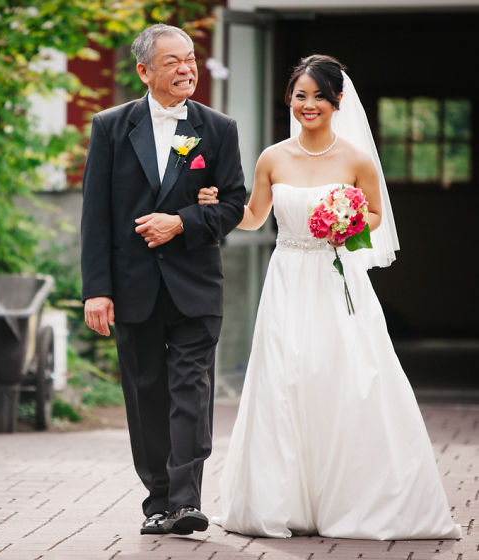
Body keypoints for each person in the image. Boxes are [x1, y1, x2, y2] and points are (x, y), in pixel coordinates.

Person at [198, 55, 462, 540]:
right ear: (290, 101)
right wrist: (219, 208)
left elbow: (378, 216)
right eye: (300, 95)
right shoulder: (272, 157)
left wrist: (348, 222)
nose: (309, 104)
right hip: (287, 278)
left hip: (338, 279)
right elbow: (256, 216)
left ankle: (352, 497)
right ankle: (283, 501)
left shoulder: (357, 158)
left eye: (319, 95)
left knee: (347, 375)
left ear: (338, 100)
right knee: (284, 376)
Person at [80, 24, 247, 535]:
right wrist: (97, 290)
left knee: (191, 391)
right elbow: (97, 215)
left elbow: (235, 205)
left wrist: (183, 222)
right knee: (146, 393)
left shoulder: (217, 128)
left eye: (190, 58)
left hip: (195, 284)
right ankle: (158, 500)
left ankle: (186, 500)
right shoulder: (110, 126)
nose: (186, 68)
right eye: (173, 61)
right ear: (144, 71)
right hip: (132, 287)